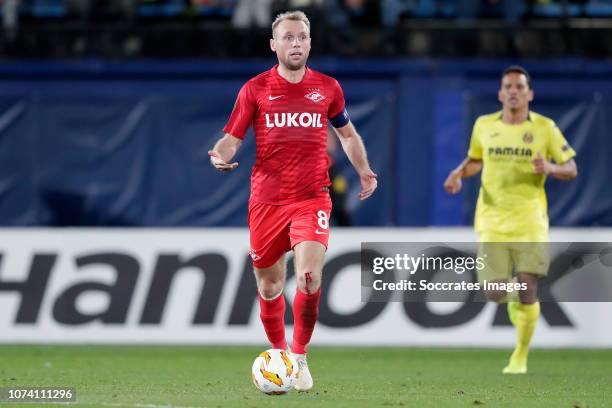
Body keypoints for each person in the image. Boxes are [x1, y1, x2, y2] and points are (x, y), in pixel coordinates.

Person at [208, 10, 377, 391]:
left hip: (312, 197)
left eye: (301, 37)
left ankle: (298, 358)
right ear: (274, 44)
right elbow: (231, 138)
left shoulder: (329, 88)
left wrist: (364, 169)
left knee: (309, 275)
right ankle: (279, 352)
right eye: (288, 37)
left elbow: (347, 135)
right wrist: (219, 154)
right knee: (269, 287)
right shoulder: (255, 89)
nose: (295, 43)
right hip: (266, 201)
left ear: (310, 42)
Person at [443, 65, 577, 374]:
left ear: (530, 93)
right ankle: (523, 303)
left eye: (519, 86)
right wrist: (458, 173)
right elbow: (476, 160)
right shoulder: (484, 125)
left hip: (530, 219)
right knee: (492, 292)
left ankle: (520, 355)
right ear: (501, 93)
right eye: (508, 86)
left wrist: (551, 169)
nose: (514, 91)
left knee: (529, 285)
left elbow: (571, 168)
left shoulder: (545, 127)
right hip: (491, 219)